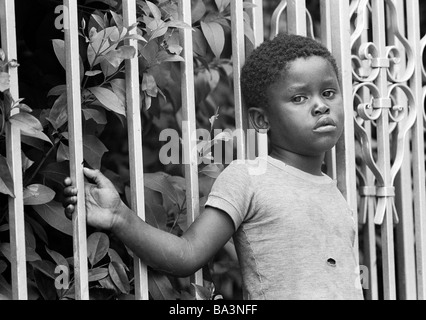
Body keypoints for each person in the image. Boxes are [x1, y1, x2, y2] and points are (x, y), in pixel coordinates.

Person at [63, 33, 364, 300]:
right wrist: (120, 217)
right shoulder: (250, 178)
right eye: (299, 97)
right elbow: (187, 254)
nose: (320, 105)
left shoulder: (335, 194)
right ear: (261, 120)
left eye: (328, 93)